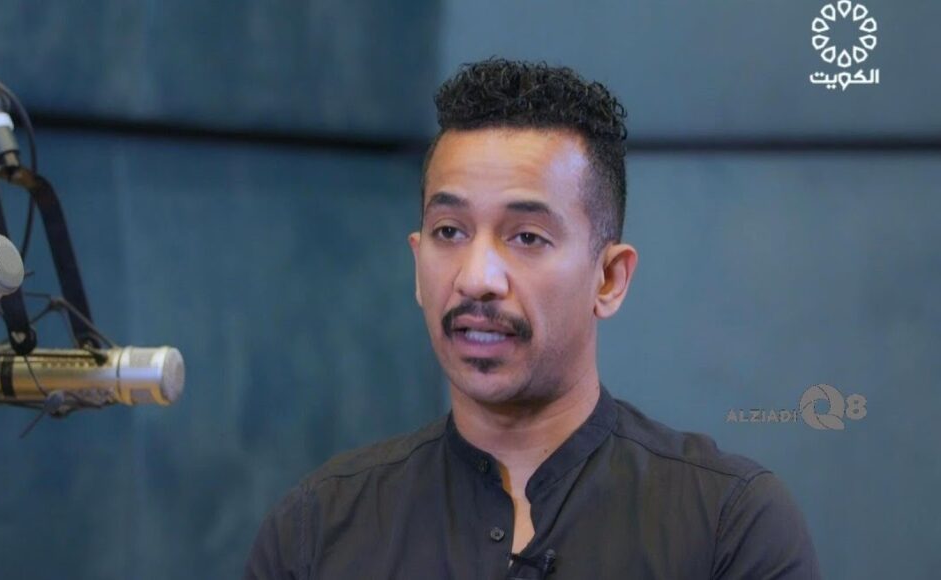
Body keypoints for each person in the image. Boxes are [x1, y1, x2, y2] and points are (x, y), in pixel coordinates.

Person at [244, 58, 821, 579]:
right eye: (450, 232)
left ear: (609, 278)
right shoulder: (316, 532)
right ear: (418, 264)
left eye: (526, 237)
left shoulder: (728, 524)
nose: (477, 278)